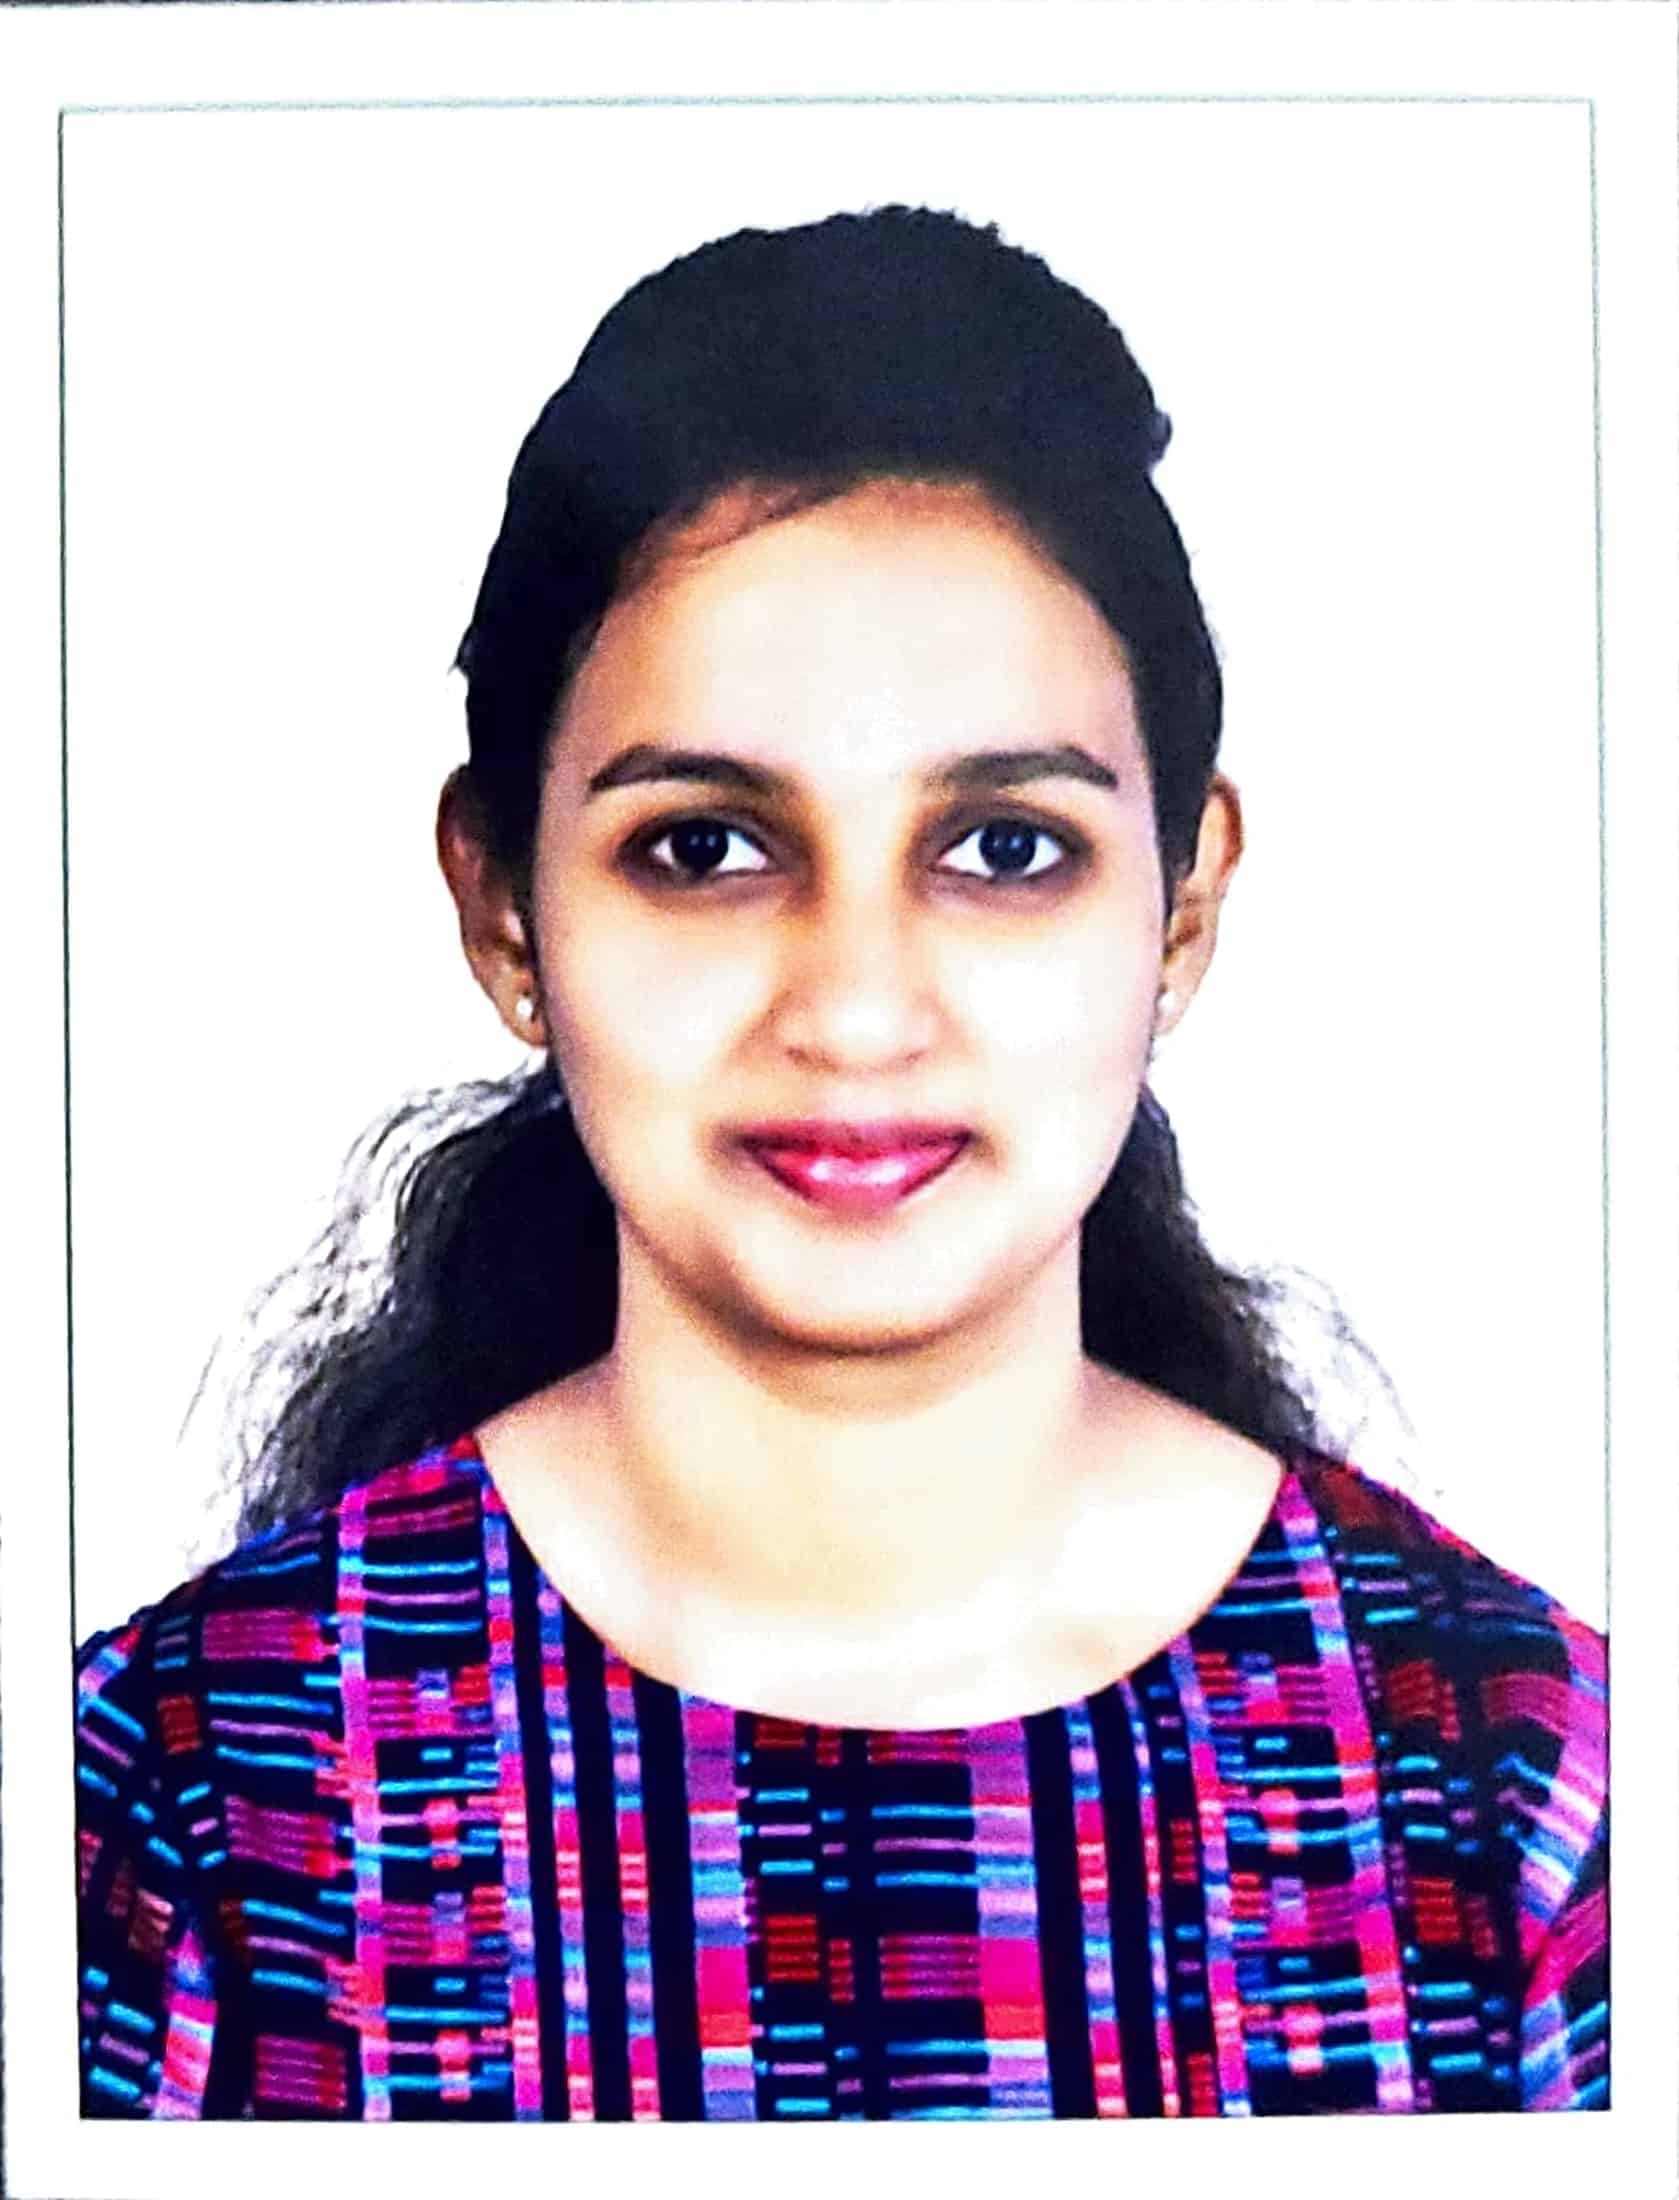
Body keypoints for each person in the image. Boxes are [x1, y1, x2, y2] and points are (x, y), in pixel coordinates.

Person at [73, 205, 1606, 2121]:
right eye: (706, 848)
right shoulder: (191, 1804)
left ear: (1184, 904)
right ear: (504, 908)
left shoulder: (1523, 1799)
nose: (860, 1010)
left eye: (1005, 849)